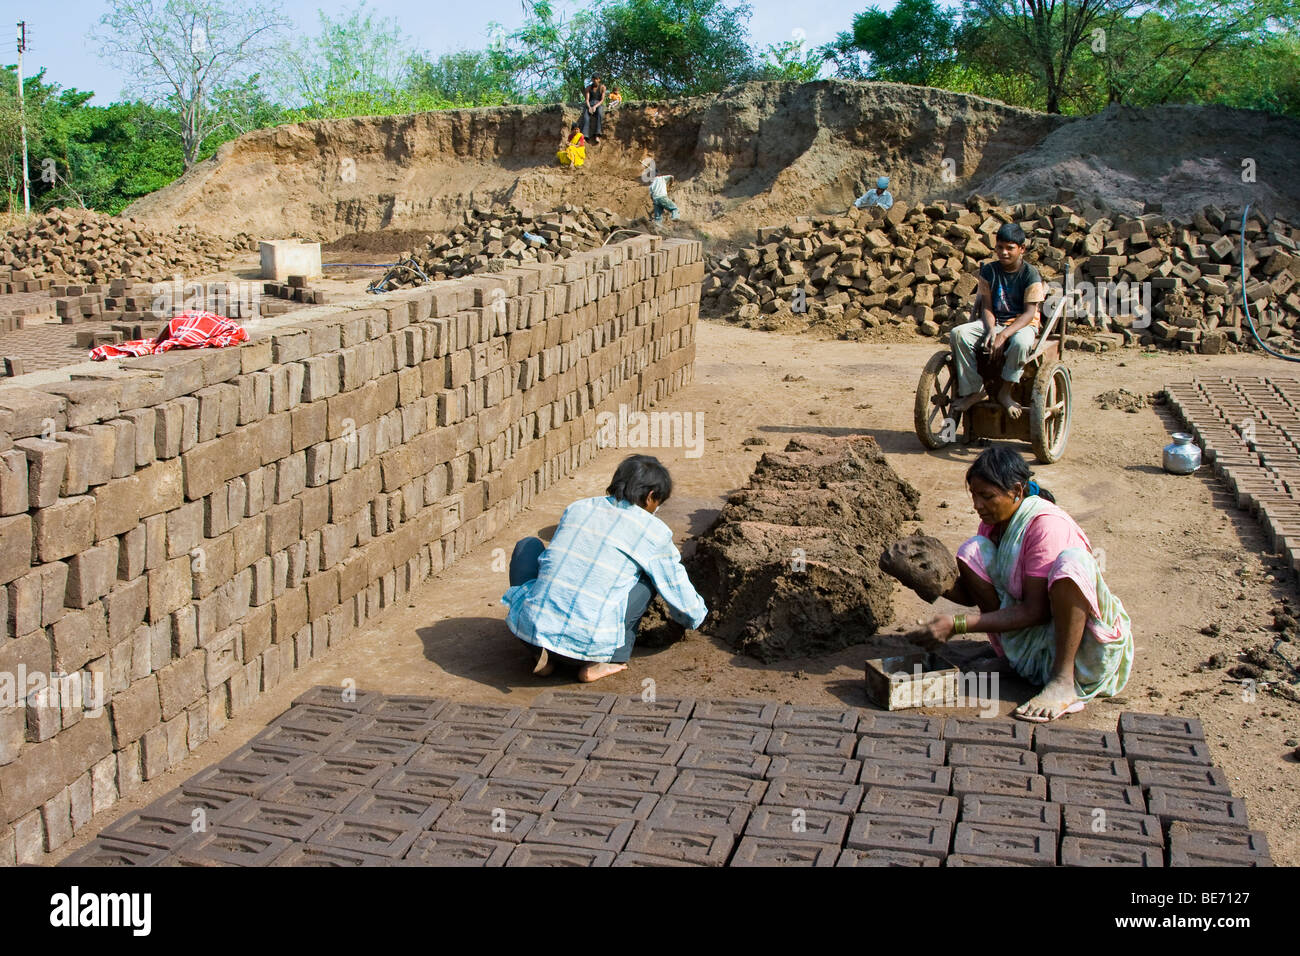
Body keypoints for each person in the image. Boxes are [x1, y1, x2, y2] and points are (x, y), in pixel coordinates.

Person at [907, 445, 1133, 722]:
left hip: (1081, 649)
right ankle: (1013, 659)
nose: (977, 505)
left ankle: (1062, 680)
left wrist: (958, 625)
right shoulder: (994, 522)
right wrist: (925, 579)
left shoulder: (1046, 526)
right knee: (973, 550)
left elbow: (1036, 612)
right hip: (1033, 635)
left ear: (1016, 490)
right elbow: (973, 594)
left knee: (1073, 562)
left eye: (987, 496)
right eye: (975, 495)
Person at [502, 455, 708, 683]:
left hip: (528, 634)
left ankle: (542, 656)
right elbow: (677, 590)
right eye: (657, 503)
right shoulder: (654, 532)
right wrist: (695, 618)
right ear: (651, 496)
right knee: (650, 578)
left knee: (528, 546)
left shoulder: (577, 508)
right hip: (588, 648)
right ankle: (608, 660)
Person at [949, 222, 1047, 421]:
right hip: (996, 322)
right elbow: (987, 307)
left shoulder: (1030, 274)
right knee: (958, 333)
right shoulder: (989, 271)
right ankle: (975, 390)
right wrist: (992, 330)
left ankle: (1005, 391)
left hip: (1022, 324)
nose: (1004, 252)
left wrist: (1004, 334)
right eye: (1000, 247)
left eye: (1010, 248)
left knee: (1021, 343)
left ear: (1022, 249)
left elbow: (1029, 313)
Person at [582, 75, 606, 143]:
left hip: (598, 104)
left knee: (600, 114)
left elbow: (602, 100)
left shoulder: (602, 87)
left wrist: (595, 106)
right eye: (593, 79)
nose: (595, 80)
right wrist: (589, 107)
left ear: (599, 79)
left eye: (596, 79)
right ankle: (585, 135)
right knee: (586, 116)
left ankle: (597, 135)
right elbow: (587, 100)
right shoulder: (589, 88)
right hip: (590, 104)